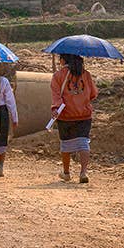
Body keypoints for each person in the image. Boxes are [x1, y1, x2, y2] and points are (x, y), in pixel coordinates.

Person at [50, 53, 99, 183]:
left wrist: (56, 109)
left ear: (63, 60)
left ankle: (66, 173)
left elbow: (56, 97)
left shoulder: (58, 76)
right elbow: (93, 94)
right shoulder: (86, 74)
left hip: (66, 115)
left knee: (66, 144)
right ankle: (83, 172)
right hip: (84, 114)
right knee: (83, 142)